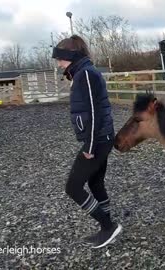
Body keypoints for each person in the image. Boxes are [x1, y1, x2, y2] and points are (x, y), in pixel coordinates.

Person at [52, 35, 122, 248]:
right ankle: (106, 228)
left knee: (73, 187)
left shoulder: (86, 75)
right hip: (103, 138)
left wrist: (90, 147)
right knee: (95, 182)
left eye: (60, 57)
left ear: (71, 55)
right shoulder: (83, 73)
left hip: (98, 141)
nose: (58, 62)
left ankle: (109, 226)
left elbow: (94, 112)